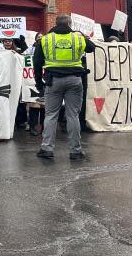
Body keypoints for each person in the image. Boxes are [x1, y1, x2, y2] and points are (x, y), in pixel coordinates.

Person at [34, 14, 95, 160]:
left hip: (53, 81)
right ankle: (76, 151)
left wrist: (38, 83)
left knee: (51, 115)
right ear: (70, 23)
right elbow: (92, 48)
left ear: (55, 23)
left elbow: (36, 63)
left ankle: (46, 148)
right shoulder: (77, 38)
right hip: (75, 80)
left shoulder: (45, 39)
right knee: (73, 115)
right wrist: (82, 36)